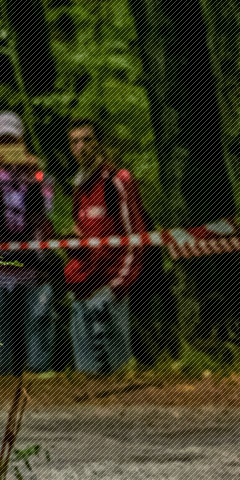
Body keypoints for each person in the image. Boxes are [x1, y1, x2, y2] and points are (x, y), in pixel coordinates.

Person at [0, 111, 58, 375]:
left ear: (23, 143)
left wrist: (31, 177)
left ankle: (41, 387)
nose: (7, 148)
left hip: (33, 270)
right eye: (2, 142)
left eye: (12, 141)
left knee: (39, 347)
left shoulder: (39, 177)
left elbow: (41, 215)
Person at [64, 118, 149, 374]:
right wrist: (73, 244)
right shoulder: (78, 188)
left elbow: (136, 239)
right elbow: (85, 240)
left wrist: (117, 287)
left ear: (99, 143)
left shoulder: (117, 180)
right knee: (87, 375)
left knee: (117, 372)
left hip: (109, 289)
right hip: (81, 290)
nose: (81, 147)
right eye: (75, 142)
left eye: (87, 140)